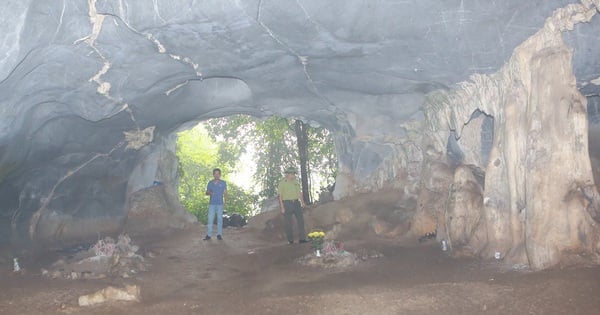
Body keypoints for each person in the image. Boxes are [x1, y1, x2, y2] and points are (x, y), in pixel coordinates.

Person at [278, 166, 307, 244]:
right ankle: (290, 240)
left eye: (294, 174)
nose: (293, 175)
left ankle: (302, 238)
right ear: (288, 174)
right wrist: (282, 207)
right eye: (292, 174)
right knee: (288, 222)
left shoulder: (296, 182)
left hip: (296, 203)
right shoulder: (282, 183)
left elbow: (299, 193)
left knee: (301, 220)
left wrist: (303, 202)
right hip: (287, 203)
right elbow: (280, 195)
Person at [204, 168, 227, 241]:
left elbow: (225, 193)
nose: (216, 175)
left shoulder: (223, 183)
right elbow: (206, 192)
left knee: (220, 219)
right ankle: (208, 235)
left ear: (220, 175)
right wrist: (210, 193)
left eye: (218, 173)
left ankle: (219, 235)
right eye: (215, 173)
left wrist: (225, 203)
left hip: (220, 204)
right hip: (212, 204)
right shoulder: (210, 183)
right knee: (210, 219)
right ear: (213, 174)